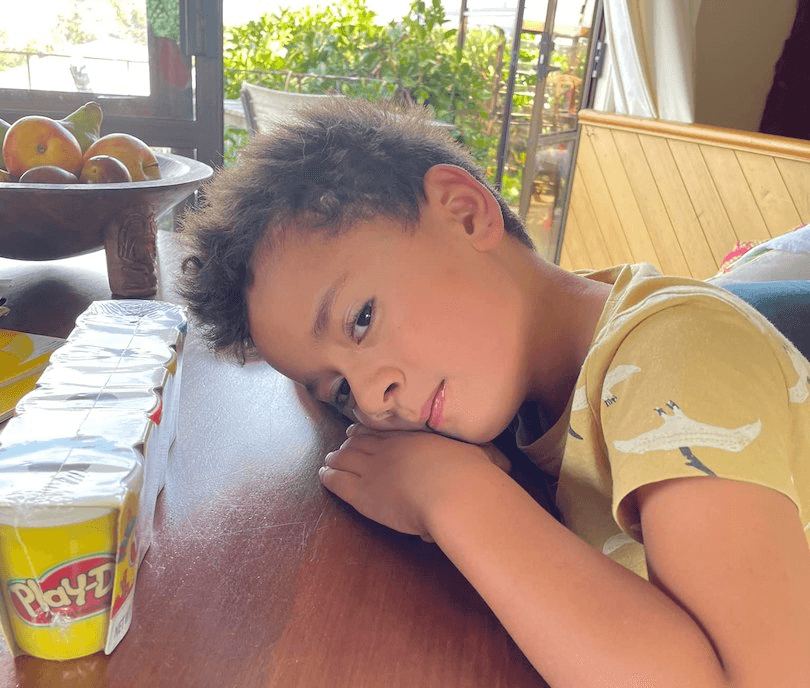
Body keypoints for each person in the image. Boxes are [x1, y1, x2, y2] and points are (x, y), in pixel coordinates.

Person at [177, 98, 810, 687]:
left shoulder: (679, 352)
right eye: (342, 388)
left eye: (362, 319)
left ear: (464, 211)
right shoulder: (528, 383)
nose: (372, 401)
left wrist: (453, 494)